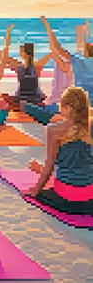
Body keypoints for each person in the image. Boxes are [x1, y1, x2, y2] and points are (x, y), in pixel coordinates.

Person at [25, 87, 93, 215]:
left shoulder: (54, 130)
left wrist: (36, 190)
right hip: (89, 197)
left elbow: (50, 165)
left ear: (66, 108)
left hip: (65, 197)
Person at [25, 17, 92, 125]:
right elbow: (79, 47)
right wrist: (83, 30)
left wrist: (48, 27)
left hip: (67, 106)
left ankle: (53, 119)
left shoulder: (72, 63)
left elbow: (55, 48)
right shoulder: (76, 62)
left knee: (29, 107)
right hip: (73, 105)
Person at [0, 27, 52, 112]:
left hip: (24, 100)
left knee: (2, 99)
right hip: (33, 100)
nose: (19, 53)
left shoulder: (20, 66)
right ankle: (28, 107)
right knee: (3, 97)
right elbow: (53, 51)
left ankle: (25, 107)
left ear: (27, 54)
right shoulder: (36, 66)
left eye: (21, 51)